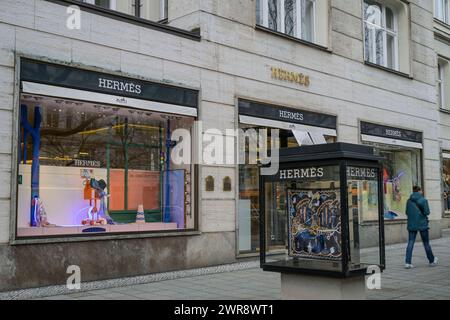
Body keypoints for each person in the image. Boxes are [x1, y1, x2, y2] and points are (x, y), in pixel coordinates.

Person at [405, 186, 438, 269]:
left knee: (410, 242)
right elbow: (427, 212)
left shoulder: (408, 201)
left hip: (412, 224)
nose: (422, 191)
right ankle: (432, 260)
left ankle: (407, 263)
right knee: (426, 243)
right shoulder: (423, 200)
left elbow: (406, 212)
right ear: (419, 191)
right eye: (421, 190)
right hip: (422, 224)